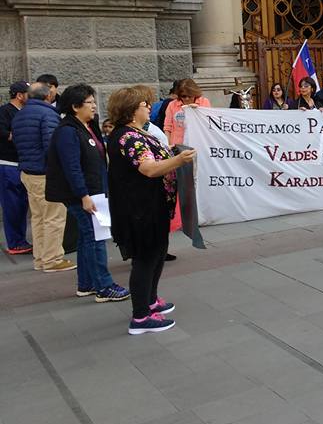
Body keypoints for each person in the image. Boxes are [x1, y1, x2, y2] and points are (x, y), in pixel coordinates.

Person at [106, 87, 196, 334]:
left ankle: (150, 299)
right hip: (140, 208)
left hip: (153, 205)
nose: (149, 107)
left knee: (157, 253)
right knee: (145, 259)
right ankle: (141, 317)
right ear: (133, 109)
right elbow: (148, 169)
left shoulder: (137, 133)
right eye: (145, 104)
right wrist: (179, 161)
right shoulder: (128, 137)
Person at [45, 84, 129, 302]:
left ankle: (86, 284)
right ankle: (104, 286)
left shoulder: (87, 126)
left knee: (87, 238)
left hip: (95, 192)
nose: (94, 107)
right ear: (75, 106)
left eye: (93, 102)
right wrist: (83, 196)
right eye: (89, 103)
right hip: (83, 195)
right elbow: (71, 166)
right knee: (96, 238)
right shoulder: (67, 131)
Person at [12, 82, 73, 272]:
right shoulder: (48, 114)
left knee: (38, 218)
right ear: (48, 96)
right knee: (54, 217)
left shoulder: (20, 114)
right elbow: (52, 146)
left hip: (27, 171)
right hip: (45, 173)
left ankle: (41, 258)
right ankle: (53, 259)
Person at [1, 81, 31, 255]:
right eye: (28, 93)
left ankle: (21, 240)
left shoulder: (25, 112)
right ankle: (15, 242)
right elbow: (4, 133)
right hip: (8, 165)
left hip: (23, 164)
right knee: (12, 205)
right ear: (19, 95)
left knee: (22, 205)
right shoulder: (4, 112)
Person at [163, 79, 211, 148]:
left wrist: (197, 110)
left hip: (199, 144)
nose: (187, 98)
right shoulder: (172, 105)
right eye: (184, 96)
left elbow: (208, 123)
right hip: (178, 145)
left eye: (190, 96)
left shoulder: (204, 102)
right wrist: (168, 145)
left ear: (195, 94)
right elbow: (167, 127)